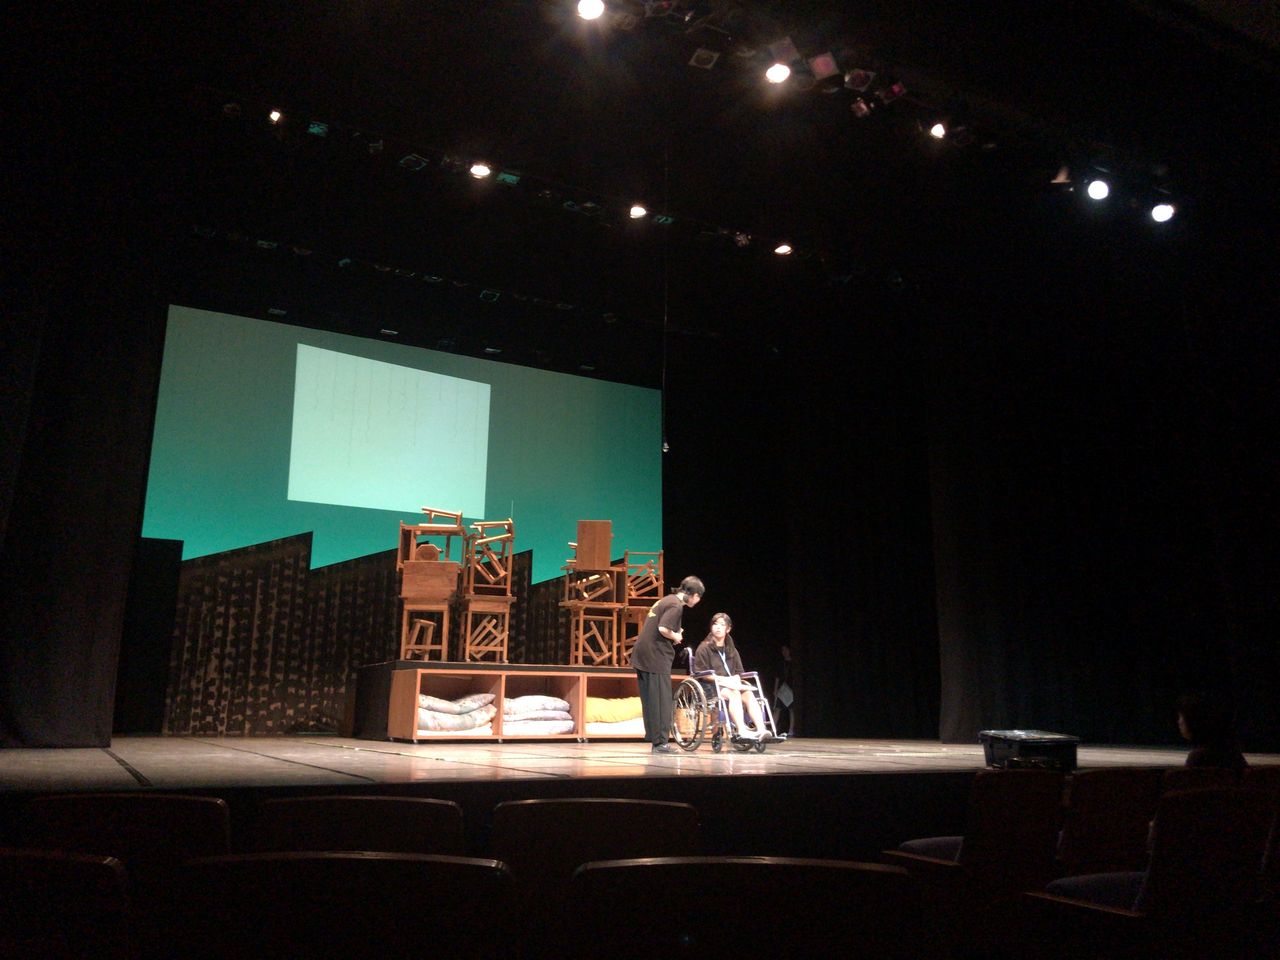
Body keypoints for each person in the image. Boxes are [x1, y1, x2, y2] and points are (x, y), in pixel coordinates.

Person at [629, 576, 704, 753]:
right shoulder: (676, 605)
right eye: (698, 597)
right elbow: (663, 628)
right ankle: (660, 742)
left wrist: (674, 633)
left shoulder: (666, 600)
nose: (698, 601)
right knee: (661, 699)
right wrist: (676, 636)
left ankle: (655, 739)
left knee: (650, 699)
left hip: (643, 653)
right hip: (655, 656)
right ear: (694, 595)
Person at [693, 612, 768, 739]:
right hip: (711, 685)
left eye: (722, 625)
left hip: (731, 685)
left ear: (728, 629)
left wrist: (735, 679)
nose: (718, 627)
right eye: (715, 624)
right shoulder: (703, 648)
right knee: (734, 694)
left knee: (748, 694)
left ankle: (761, 730)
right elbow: (703, 674)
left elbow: (739, 672)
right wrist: (723, 680)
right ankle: (741, 730)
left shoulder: (732, 650)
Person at [1177, 691, 1248, 772]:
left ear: (1193, 721)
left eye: (1180, 717)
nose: (1179, 722)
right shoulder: (1233, 754)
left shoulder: (1198, 757)